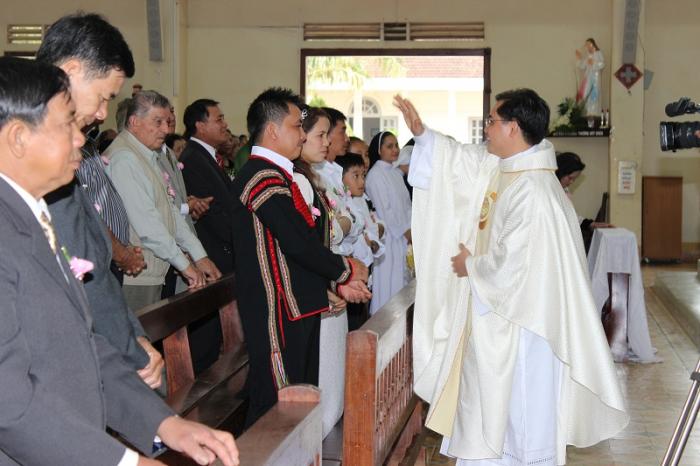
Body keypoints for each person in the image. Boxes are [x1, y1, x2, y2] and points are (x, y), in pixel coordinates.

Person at [0, 55, 239, 466]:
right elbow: (10, 402)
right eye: (66, 125)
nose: (80, 139)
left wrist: (164, 423)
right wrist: (125, 462)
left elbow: (82, 343)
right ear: (19, 137)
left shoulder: (34, 216)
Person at [394, 89, 628, 465]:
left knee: (520, 423)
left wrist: (471, 265)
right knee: (499, 418)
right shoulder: (508, 169)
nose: (486, 129)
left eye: (492, 121)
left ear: (513, 127)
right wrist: (423, 135)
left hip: (526, 332)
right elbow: (459, 160)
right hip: (500, 323)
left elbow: (517, 267)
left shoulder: (533, 190)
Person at [231, 88, 371, 426]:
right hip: (275, 309)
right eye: (297, 126)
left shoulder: (280, 175)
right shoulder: (261, 178)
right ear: (272, 130)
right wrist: (344, 270)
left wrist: (332, 284)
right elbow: (297, 242)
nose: (303, 134)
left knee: (298, 403)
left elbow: (296, 247)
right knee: (276, 405)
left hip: (297, 303)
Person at [105, 91, 221, 309]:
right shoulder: (125, 159)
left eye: (167, 122)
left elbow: (170, 211)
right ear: (134, 122)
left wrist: (199, 256)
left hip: (153, 269)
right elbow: (148, 225)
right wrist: (186, 266)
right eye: (157, 122)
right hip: (136, 273)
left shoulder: (147, 155)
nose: (166, 130)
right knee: (141, 329)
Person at [293, 105, 349, 438]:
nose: (326, 142)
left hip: (327, 276)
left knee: (331, 365)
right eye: (320, 135)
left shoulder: (312, 177)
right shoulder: (298, 180)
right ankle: (319, 436)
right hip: (319, 281)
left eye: (329, 135)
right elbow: (313, 239)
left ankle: (325, 430)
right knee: (323, 367)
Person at [365, 130, 412, 315]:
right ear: (379, 150)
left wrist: (411, 229)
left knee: (400, 282)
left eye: (396, 145)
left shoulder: (395, 173)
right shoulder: (375, 175)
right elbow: (385, 210)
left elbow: (407, 205)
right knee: (387, 283)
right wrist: (404, 231)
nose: (395, 150)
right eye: (389, 146)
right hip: (389, 237)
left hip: (403, 237)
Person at [555, 151, 612, 252]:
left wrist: (590, 224)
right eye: (570, 178)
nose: (572, 182)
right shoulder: (549, 191)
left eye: (574, 179)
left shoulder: (564, 190)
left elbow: (571, 216)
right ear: (561, 172)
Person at [575, 38, 604, 116]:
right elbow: (583, 65)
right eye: (586, 45)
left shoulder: (598, 53)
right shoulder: (588, 55)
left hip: (595, 78)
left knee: (594, 94)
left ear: (592, 44)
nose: (587, 46)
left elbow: (602, 64)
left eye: (588, 44)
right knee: (586, 93)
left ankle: (594, 113)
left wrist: (594, 63)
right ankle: (588, 112)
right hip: (588, 77)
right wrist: (579, 58)